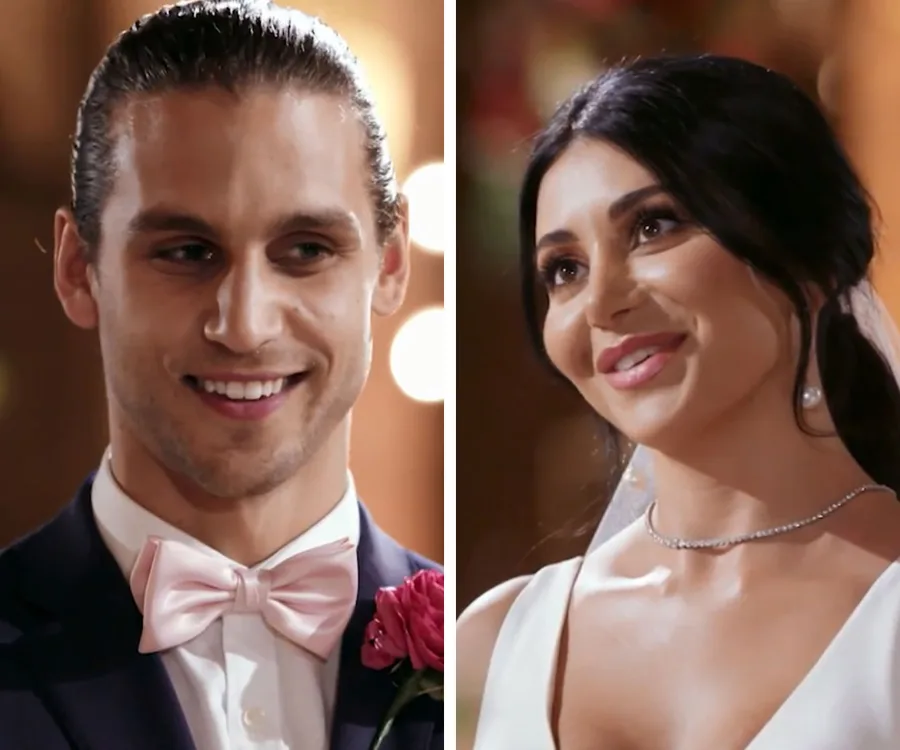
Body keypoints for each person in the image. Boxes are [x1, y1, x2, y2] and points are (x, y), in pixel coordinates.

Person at [0, 3, 442, 750]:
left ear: (390, 265)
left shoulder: (492, 654)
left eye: (305, 249)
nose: (243, 325)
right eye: (185, 251)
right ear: (78, 270)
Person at [458, 54, 900, 749]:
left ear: (810, 258)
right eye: (564, 270)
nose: (601, 303)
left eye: (654, 227)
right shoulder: (492, 644)